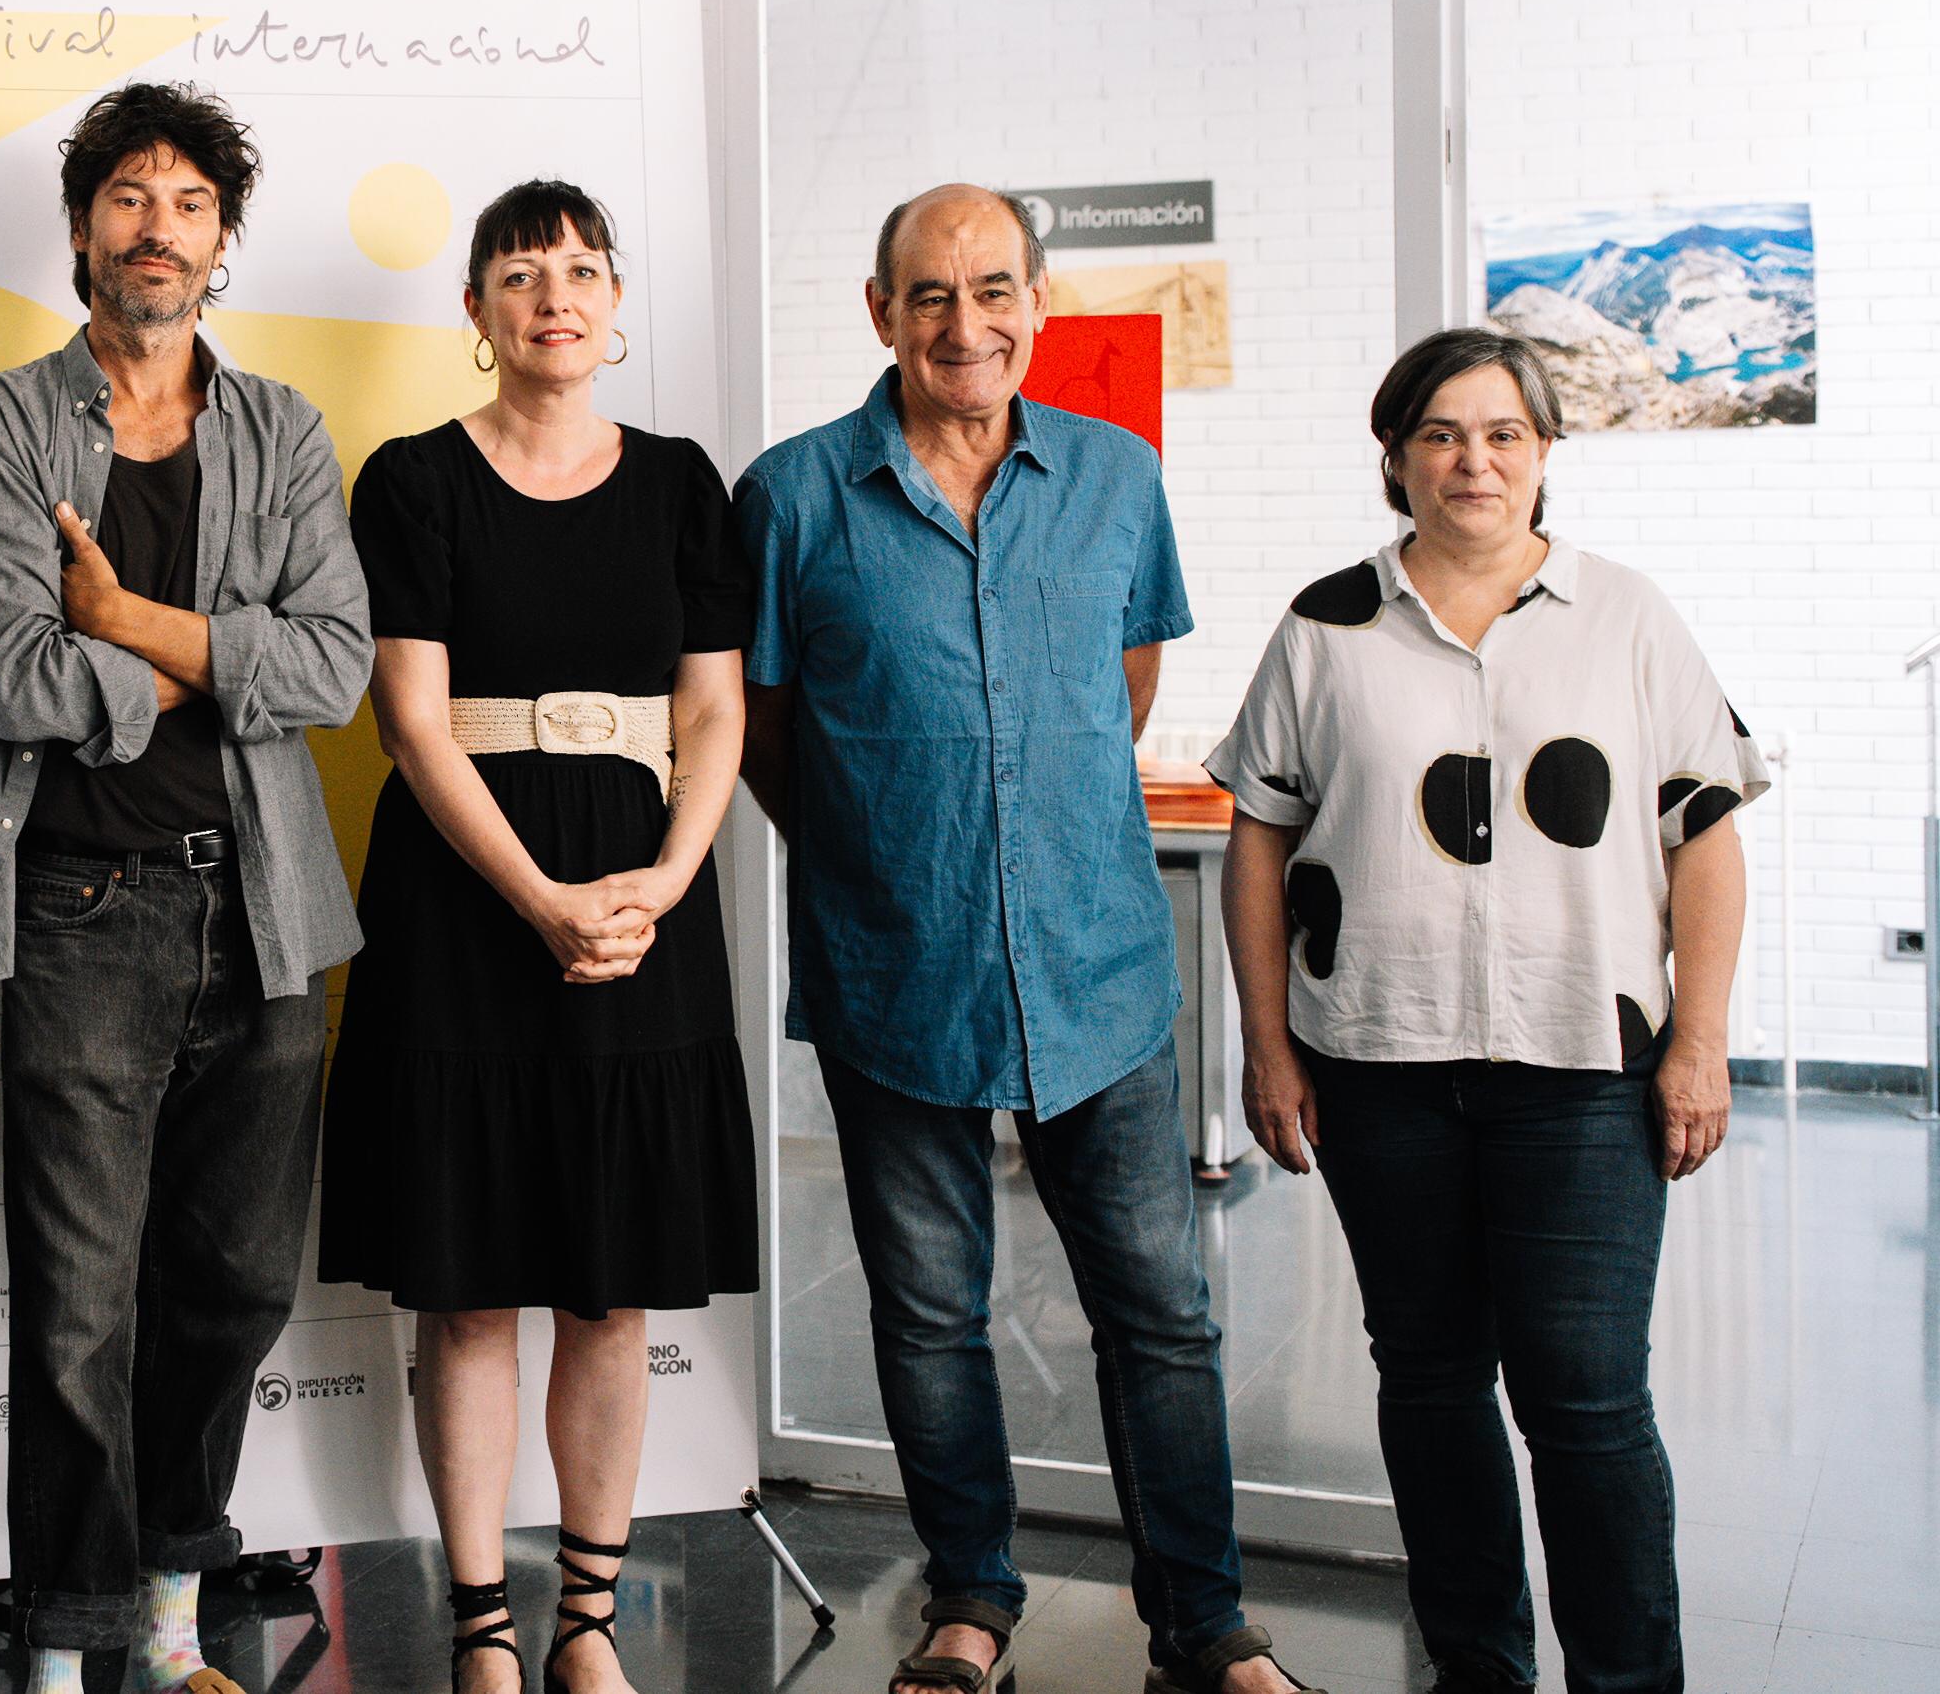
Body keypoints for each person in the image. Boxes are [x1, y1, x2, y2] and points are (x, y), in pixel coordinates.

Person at [735, 184, 1313, 1694]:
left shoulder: (1117, 477)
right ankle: (971, 1601)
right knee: (929, 1315)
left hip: (1096, 964)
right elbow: (766, 729)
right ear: (879, 313)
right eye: (929, 293)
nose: (964, 320)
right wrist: (892, 850)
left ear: (1036, 307)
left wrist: (1019, 827)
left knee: (1161, 1315)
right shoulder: (791, 494)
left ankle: (1204, 1618)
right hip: (892, 964)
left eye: (994, 288)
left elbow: (1121, 688)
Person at [1210, 329, 1760, 1694]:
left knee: (1585, 1396)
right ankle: (1480, 1671)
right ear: (1396, 456)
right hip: (1380, 1070)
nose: (1476, 460)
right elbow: (1261, 838)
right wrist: (1268, 1043)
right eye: (1444, 433)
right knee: (1432, 1378)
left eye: (1505, 432)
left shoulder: (1625, 615)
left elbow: (1706, 834)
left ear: (1546, 454)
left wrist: (1699, 1039)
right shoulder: (1325, 624)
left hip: (1583, 1072)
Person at [0, 81, 373, 1694]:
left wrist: (127, 620)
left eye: (188, 202)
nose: (157, 226)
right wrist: (207, 662)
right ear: (79, 232)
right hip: (80, 910)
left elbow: (331, 665)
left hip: (261, 909)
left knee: (239, 1284)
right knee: (76, 1313)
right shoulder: (3, 422)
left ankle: (177, 1617)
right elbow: (19, 684)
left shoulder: (281, 432)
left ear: (223, 243)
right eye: (127, 196)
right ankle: (67, 1645)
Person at [320, 182, 757, 1694]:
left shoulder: (687, 484)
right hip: (466, 904)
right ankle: (481, 1628)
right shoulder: (415, 481)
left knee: (610, 1283)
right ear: (477, 310)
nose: (554, 296)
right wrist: (545, 899)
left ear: (618, 301)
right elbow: (413, 721)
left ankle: (587, 1620)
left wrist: (662, 875)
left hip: (645, 901)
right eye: (520, 273)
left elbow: (712, 706)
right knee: (469, 1284)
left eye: (580, 270)